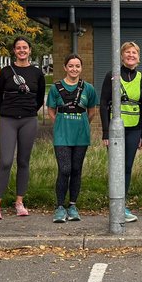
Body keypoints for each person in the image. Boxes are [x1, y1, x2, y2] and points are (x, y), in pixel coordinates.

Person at [0, 37, 46, 220]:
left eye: (25, 48)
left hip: (28, 120)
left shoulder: (37, 73)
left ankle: (19, 202)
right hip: (8, 120)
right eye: (18, 48)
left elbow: (39, 98)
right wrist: (8, 111)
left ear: (30, 50)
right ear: (14, 51)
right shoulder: (5, 72)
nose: (22, 50)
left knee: (23, 161)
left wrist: (27, 111)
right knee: (5, 161)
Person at [100, 41, 142, 223]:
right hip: (115, 130)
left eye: (134, 53)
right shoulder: (112, 76)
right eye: (127, 52)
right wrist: (105, 131)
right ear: (121, 56)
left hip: (134, 128)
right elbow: (104, 104)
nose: (131, 55)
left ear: (138, 56)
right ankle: (114, 204)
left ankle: (123, 206)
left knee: (127, 167)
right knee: (115, 167)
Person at [47, 53, 99, 222]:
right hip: (62, 135)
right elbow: (51, 110)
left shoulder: (88, 88)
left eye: (77, 66)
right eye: (71, 66)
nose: (74, 69)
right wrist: (60, 124)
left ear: (81, 68)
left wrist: (82, 124)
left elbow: (91, 111)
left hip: (81, 135)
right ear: (65, 67)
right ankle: (60, 206)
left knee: (76, 169)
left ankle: (73, 205)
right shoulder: (56, 88)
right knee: (65, 169)